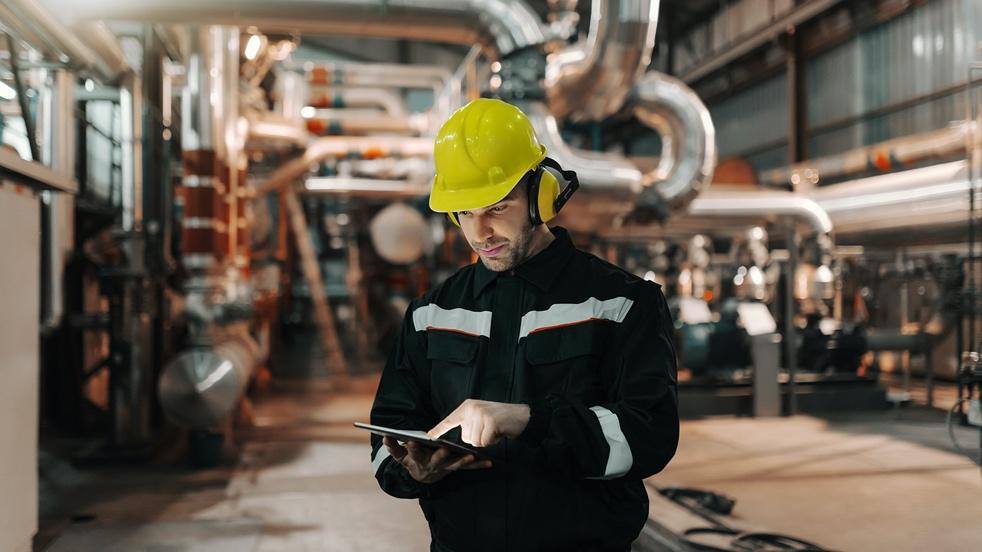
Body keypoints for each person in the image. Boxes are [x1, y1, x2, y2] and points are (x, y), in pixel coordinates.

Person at [369, 98, 679, 552]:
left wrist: (527, 421)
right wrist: (411, 468)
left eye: (496, 208)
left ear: (540, 195)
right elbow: (386, 437)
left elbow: (648, 437)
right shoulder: (430, 315)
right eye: (464, 213)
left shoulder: (621, 303)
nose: (480, 234)